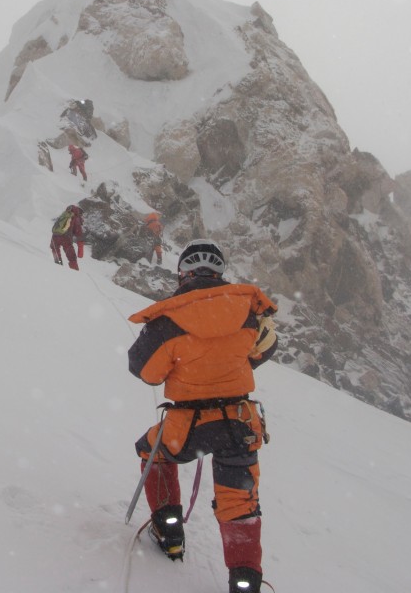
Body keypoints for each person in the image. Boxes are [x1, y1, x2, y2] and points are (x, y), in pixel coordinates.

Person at [127, 239, 278, 593]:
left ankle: (170, 532)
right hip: (239, 422)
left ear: (184, 274)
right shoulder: (248, 311)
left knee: (154, 452)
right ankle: (245, 582)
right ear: (219, 272)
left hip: (188, 425)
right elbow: (264, 349)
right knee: (239, 501)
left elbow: (145, 371)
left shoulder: (168, 319)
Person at [50, 204, 85, 270]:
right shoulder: (75, 218)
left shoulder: (65, 214)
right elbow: (79, 234)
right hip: (65, 238)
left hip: (55, 236)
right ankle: (75, 271)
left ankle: (58, 265)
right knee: (72, 257)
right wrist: (80, 250)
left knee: (55, 251)